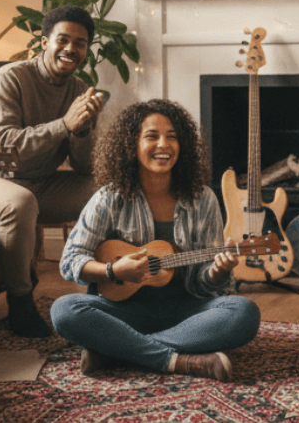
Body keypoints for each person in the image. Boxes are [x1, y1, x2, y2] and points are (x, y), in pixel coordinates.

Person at [50, 99, 260, 381]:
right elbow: (71, 259)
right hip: (123, 312)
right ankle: (178, 359)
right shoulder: (109, 198)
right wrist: (113, 270)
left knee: (243, 313)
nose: (164, 144)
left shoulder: (203, 199)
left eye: (172, 137)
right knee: (64, 310)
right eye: (152, 136)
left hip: (186, 312)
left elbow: (203, 283)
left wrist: (217, 271)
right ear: (131, 144)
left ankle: (116, 348)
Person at [0, 5, 104, 337]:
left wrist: (82, 130)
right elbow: (5, 149)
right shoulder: (10, 77)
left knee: (110, 192)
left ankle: (105, 290)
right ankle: (20, 303)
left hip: (42, 183)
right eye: (63, 39)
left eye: (80, 43)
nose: (71, 49)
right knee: (19, 202)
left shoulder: (80, 91)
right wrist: (63, 125)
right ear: (44, 42)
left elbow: (84, 168)